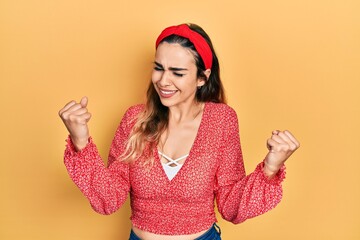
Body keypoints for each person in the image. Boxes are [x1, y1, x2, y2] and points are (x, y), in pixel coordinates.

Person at [58, 23, 300, 240]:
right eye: (159, 68)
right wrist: (81, 142)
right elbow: (108, 200)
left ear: (202, 78)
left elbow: (231, 207)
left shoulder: (222, 121)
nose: (164, 81)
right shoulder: (134, 120)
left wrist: (270, 168)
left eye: (178, 72)